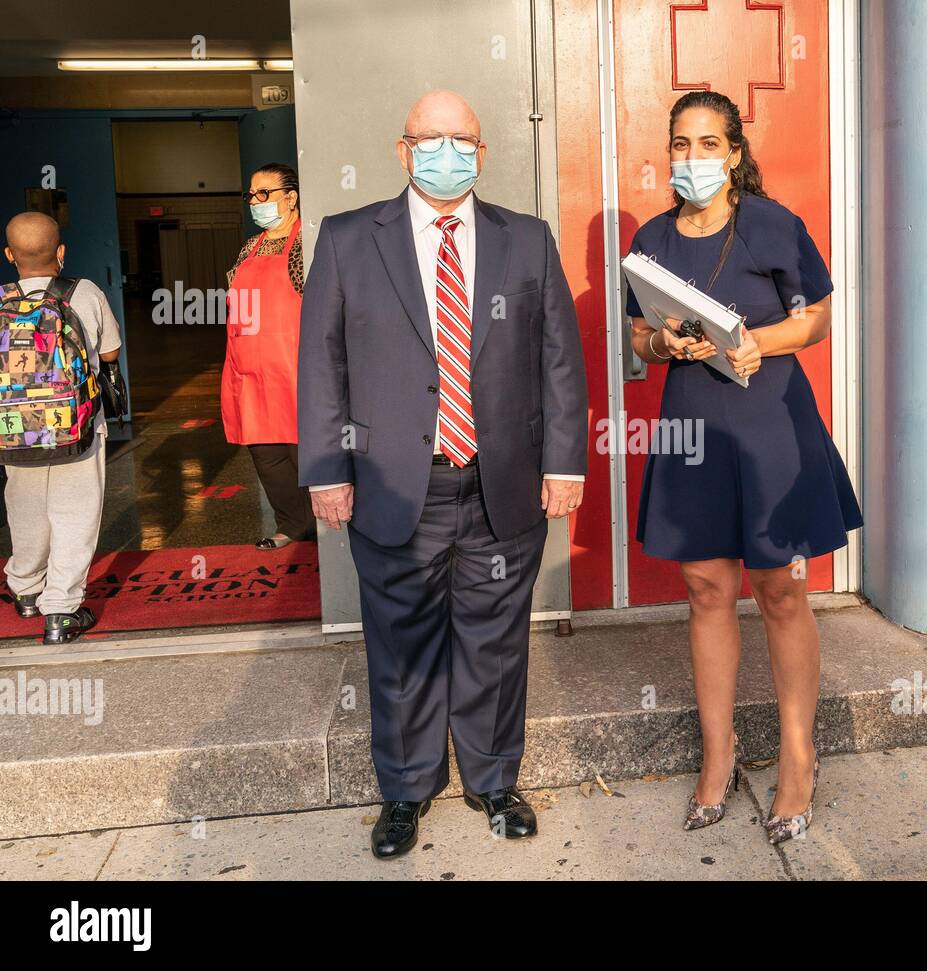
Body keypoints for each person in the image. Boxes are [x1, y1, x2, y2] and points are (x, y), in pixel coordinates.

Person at [298, 90, 587, 859]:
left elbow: (560, 357)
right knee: (401, 646)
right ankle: (405, 790)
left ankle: (494, 780)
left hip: (503, 484)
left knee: (496, 641)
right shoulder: (350, 239)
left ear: (483, 154)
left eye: (463, 139)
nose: (447, 151)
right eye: (432, 138)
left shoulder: (526, 240)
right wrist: (327, 468)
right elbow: (321, 365)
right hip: (396, 487)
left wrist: (564, 461)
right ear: (403, 149)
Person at [625, 91, 862, 844]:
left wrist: (763, 339)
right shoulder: (655, 238)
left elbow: (817, 315)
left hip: (770, 427)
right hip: (693, 425)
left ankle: (799, 755)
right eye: (680, 144)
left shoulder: (771, 222)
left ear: (734, 154)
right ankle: (718, 753)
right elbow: (639, 333)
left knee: (782, 591)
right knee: (705, 588)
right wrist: (664, 346)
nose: (691, 158)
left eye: (707, 144)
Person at [2, 212, 121, 644]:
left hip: (15, 431)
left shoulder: (0, 299)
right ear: (62, 253)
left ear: (10, 255)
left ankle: (26, 588)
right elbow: (110, 353)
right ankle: (61, 611)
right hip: (78, 431)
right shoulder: (83, 293)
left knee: (25, 509)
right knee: (75, 515)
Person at [222, 162, 314, 551]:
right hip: (251, 368)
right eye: (252, 195)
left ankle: (327, 527)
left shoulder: (305, 244)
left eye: (265, 194)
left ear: (291, 197)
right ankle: (292, 525)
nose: (256, 202)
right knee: (267, 454)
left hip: (294, 369)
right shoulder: (250, 247)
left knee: (305, 452)